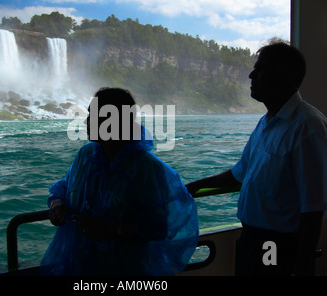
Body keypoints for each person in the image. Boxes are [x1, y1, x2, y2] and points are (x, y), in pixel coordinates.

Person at [186, 41, 327, 276]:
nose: (251, 75)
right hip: (253, 238)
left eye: (260, 69)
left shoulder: (308, 127)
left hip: (277, 243)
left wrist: (302, 267)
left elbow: (312, 209)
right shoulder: (266, 123)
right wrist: (194, 186)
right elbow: (239, 174)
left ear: (283, 75)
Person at [40, 87, 198, 276]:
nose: (86, 121)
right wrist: (56, 202)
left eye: (93, 115)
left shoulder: (147, 169)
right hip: (81, 265)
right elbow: (66, 185)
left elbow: (159, 228)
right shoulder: (86, 154)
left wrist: (110, 229)